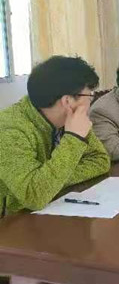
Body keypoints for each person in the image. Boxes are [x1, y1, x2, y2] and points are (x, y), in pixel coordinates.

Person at [0, 56, 110, 216]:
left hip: (49, 210)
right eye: (89, 96)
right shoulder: (9, 129)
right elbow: (34, 196)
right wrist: (74, 138)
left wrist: (53, 182)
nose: (90, 103)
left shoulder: (69, 118)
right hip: (11, 224)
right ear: (67, 101)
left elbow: (100, 160)